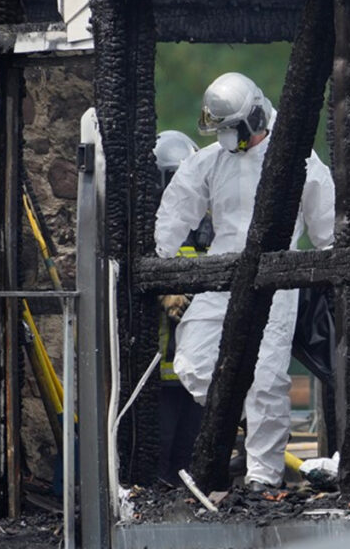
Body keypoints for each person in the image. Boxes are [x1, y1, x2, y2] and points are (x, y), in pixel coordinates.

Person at [154, 73, 335, 490]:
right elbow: (178, 203)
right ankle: (240, 416)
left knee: (268, 376)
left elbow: (326, 226)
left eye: (231, 130)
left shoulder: (297, 160)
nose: (226, 139)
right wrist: (163, 263)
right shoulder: (213, 160)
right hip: (222, 273)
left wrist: (332, 266)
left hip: (276, 279)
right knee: (192, 360)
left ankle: (262, 477)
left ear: (254, 119)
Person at [152, 130, 211, 485]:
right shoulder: (150, 227)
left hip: (200, 363)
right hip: (160, 368)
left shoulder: (209, 223)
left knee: (192, 448)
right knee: (162, 446)